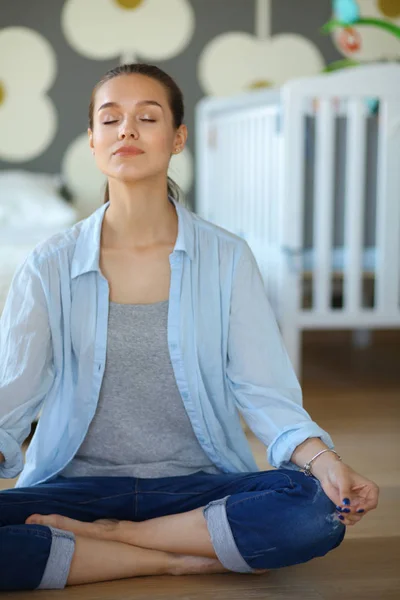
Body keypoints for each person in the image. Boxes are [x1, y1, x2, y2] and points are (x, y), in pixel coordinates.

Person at [0, 63, 379, 591]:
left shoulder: (228, 257)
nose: (126, 130)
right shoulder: (48, 264)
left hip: (199, 488)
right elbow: (9, 401)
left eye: (146, 118)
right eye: (110, 120)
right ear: (92, 140)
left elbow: (265, 393)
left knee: (315, 509)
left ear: (177, 138)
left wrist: (324, 461)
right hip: (73, 489)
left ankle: (108, 540)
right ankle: (172, 556)